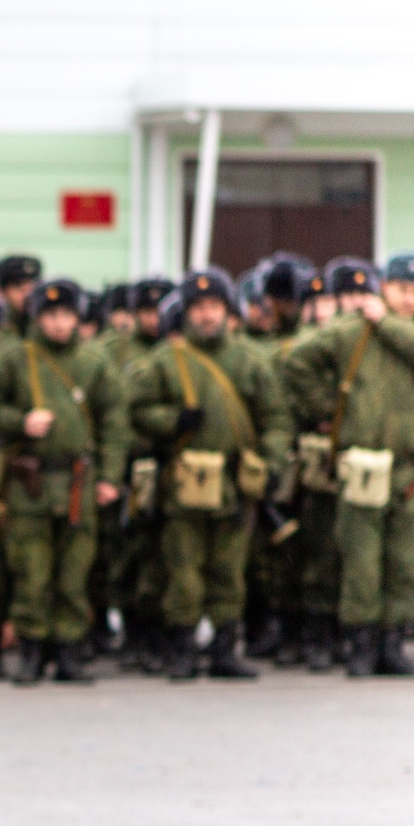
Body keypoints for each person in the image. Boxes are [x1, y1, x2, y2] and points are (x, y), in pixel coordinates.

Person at [281, 257, 414, 678]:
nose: (409, 299)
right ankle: (361, 644)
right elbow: (298, 363)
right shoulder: (349, 331)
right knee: (361, 560)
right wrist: (331, 409)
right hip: (363, 463)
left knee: (406, 561)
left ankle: (393, 643)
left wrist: (388, 324)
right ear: (385, 287)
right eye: (401, 289)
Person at [122, 268, 292, 680]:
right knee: (183, 571)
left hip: (235, 484)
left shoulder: (250, 359)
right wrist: (173, 420)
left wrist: (270, 464)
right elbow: (135, 411)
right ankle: (182, 650)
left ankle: (223, 650)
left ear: (228, 310)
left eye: (214, 305)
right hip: (183, 485)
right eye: (198, 307)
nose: (206, 315)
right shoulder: (166, 359)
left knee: (229, 572)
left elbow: (276, 418)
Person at [0, 277, 128, 684]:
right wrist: (20, 422)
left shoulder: (93, 362)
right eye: (51, 315)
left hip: (78, 482)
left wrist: (110, 477)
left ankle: (69, 651)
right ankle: (31, 650)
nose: (59, 323)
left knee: (75, 572)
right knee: (32, 571)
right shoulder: (14, 359)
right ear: (37, 317)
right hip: (31, 483)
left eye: (66, 314)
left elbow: (114, 422)